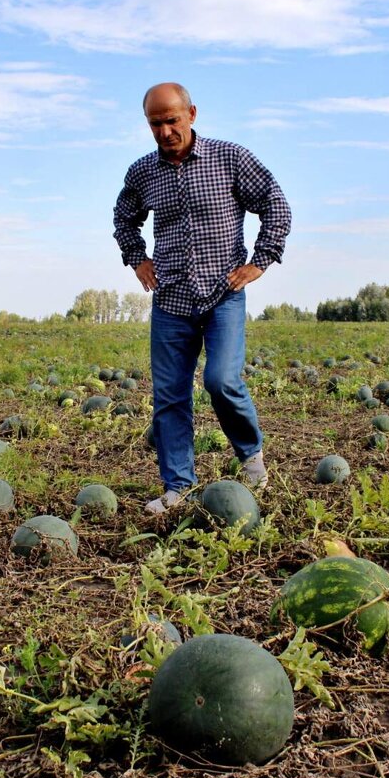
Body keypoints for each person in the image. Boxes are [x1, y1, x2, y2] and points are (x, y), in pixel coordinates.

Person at [112, 82, 292, 514]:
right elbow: (123, 217)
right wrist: (137, 258)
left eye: (172, 120)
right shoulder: (143, 173)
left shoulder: (230, 158)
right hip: (171, 299)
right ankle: (178, 488)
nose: (165, 131)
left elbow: (275, 203)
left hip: (222, 294)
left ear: (191, 114)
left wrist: (260, 261)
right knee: (170, 398)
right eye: (156, 124)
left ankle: (251, 456)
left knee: (221, 381)